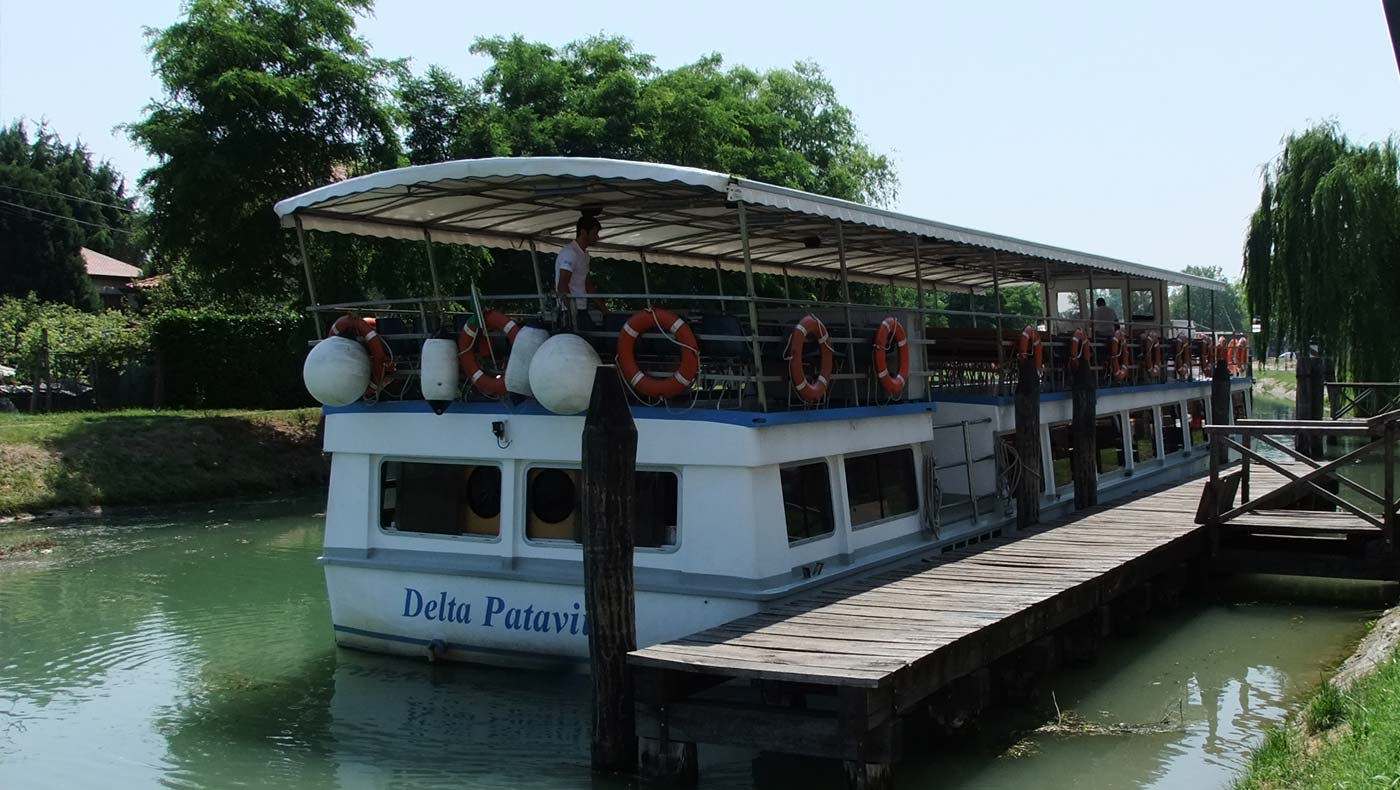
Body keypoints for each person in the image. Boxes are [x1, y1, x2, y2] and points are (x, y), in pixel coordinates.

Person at [555, 215, 606, 331]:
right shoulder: (570, 253)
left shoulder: (585, 255)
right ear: (583, 232)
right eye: (594, 233)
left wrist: (604, 309)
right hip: (569, 312)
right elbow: (562, 285)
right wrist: (571, 313)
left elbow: (588, 284)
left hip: (581, 308)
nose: (597, 237)